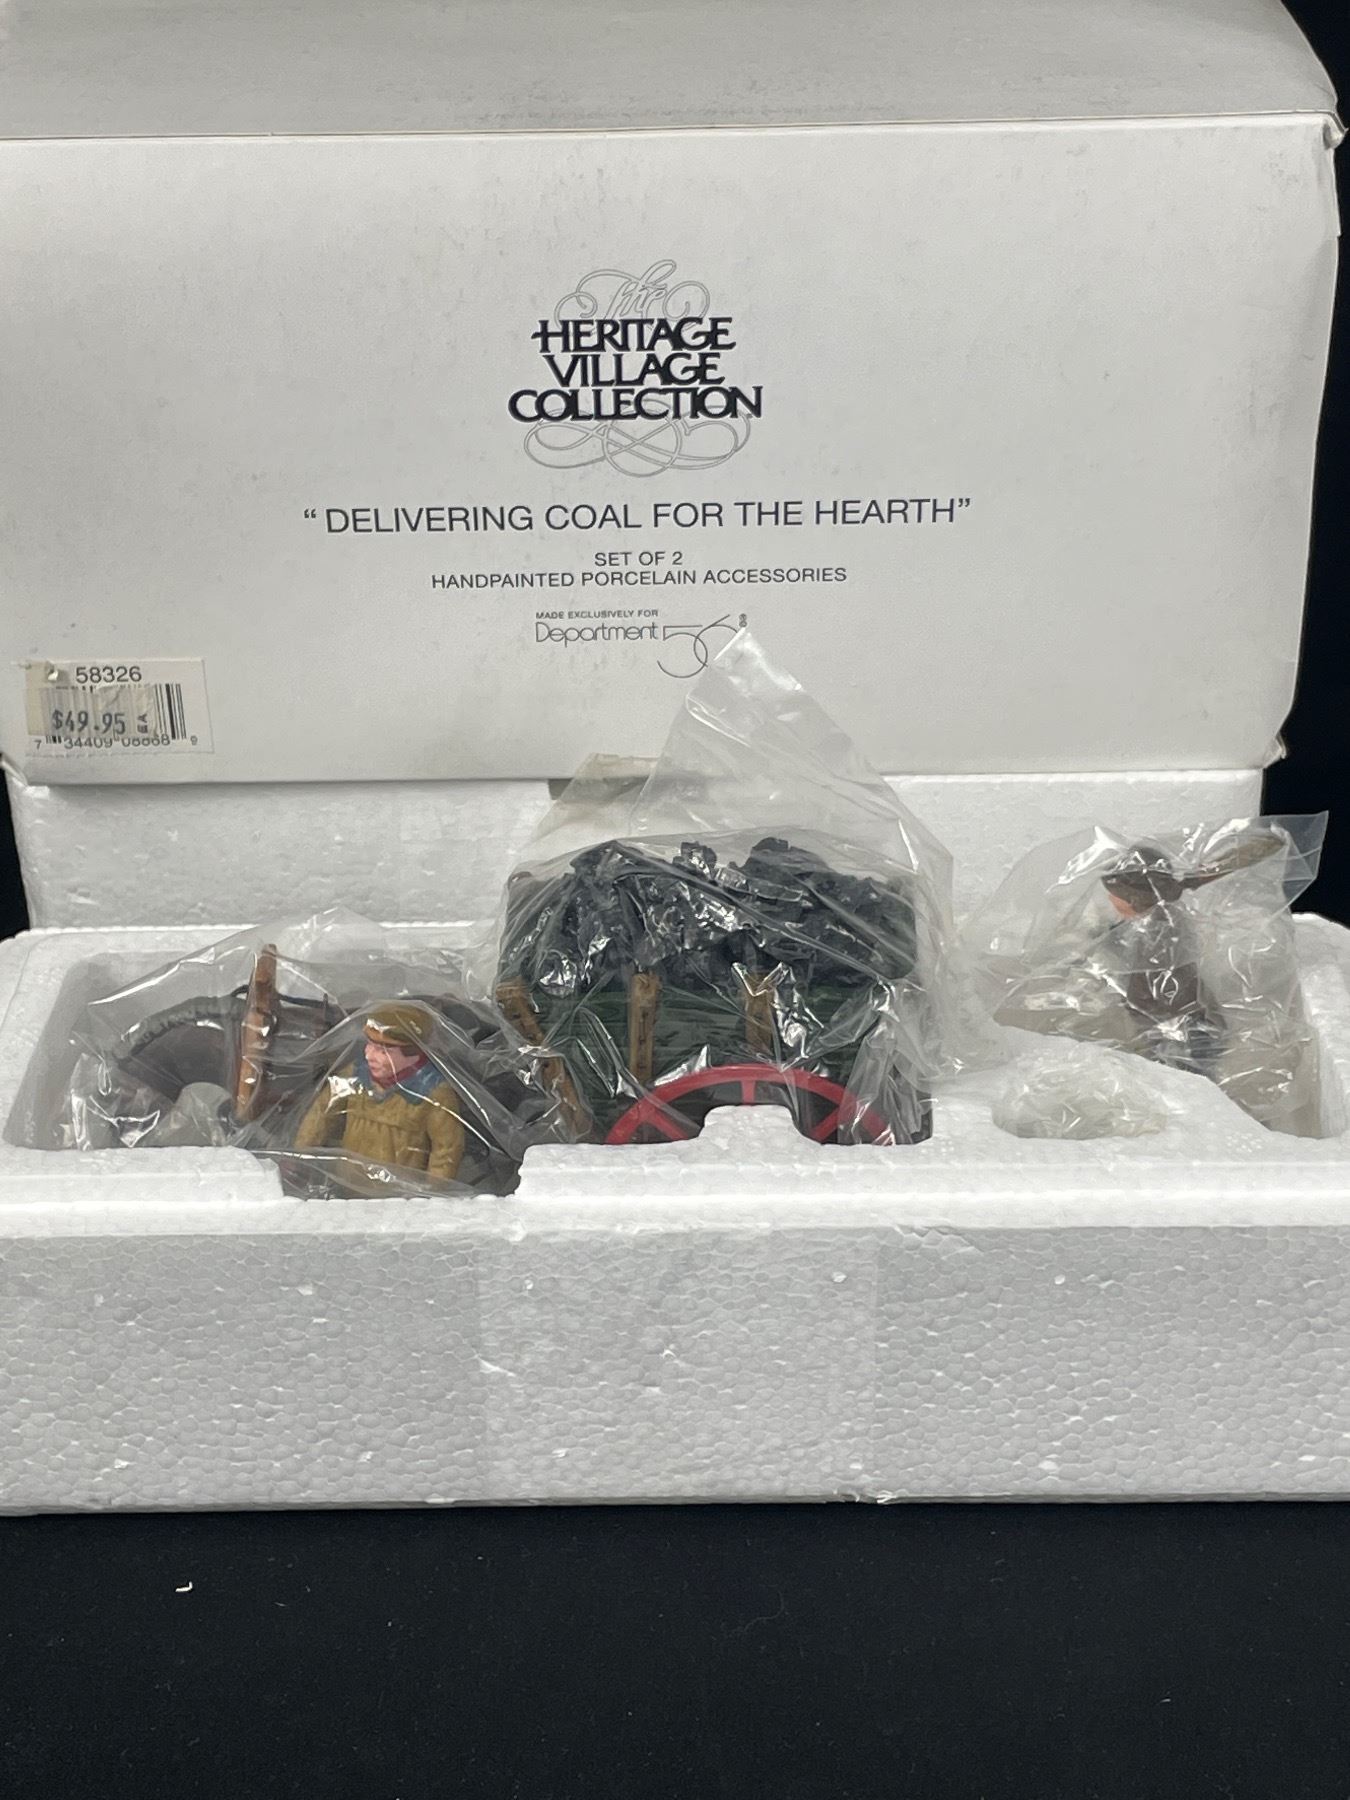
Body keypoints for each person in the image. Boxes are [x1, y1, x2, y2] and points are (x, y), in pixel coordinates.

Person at [293, 1002, 465, 1188]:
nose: (369, 1055)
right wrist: (300, 1158)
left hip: (399, 1194)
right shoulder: (353, 1076)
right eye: (370, 1045)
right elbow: (320, 1116)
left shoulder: (434, 1092)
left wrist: (433, 1192)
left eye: (383, 1051)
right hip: (347, 1184)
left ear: (414, 1054)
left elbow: (446, 1150)